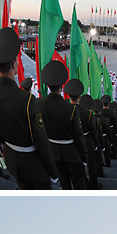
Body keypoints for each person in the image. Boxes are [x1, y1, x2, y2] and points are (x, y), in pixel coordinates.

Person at [0, 28, 60, 189]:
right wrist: (53, 172)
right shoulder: (27, 100)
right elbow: (41, 142)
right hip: (33, 165)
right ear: (14, 64)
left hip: (12, 159)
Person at [39, 60, 88, 188]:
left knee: (64, 183)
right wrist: (84, 157)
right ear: (62, 86)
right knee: (79, 185)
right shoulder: (70, 109)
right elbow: (78, 136)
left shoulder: (39, 103)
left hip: (53, 152)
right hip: (71, 154)